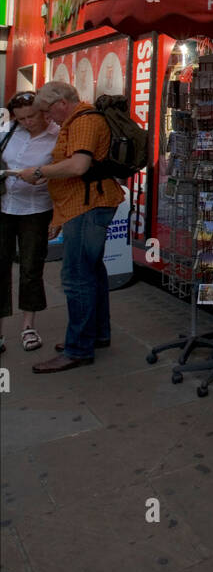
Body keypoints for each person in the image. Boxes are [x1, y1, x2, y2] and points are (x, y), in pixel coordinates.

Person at [17, 81, 123, 373]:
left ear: (62, 102)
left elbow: (78, 166)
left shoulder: (84, 122)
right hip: (84, 206)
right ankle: (96, 334)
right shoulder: (78, 121)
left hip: (88, 208)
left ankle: (78, 348)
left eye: (48, 111)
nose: (48, 117)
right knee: (92, 272)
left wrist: (39, 172)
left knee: (77, 277)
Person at [0, 93, 59, 353]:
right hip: (3, 207)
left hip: (35, 210)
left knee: (30, 267)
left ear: (43, 111)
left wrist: (43, 178)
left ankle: (28, 326)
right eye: (21, 118)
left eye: (31, 116)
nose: (27, 122)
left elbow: (64, 172)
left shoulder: (57, 135)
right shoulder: (8, 130)